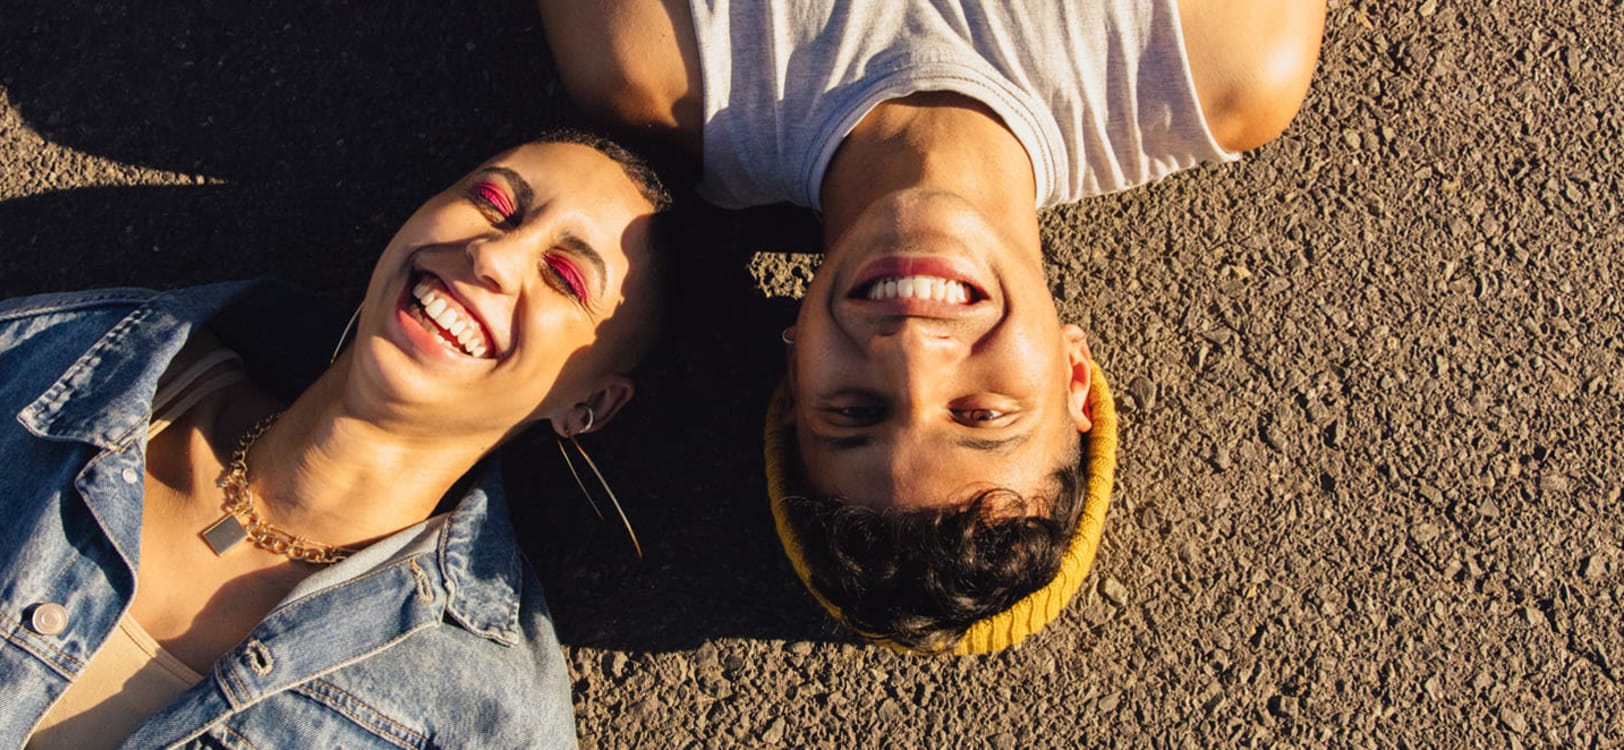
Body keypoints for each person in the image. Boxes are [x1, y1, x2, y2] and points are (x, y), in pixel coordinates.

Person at [0, 131, 670, 747]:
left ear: (585, 406)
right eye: (492, 203)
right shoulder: (68, 366)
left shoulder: (477, 713)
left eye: (565, 276)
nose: (495, 257)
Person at [539, 0, 1323, 652]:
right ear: (1073, 374)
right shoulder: (1217, 64)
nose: (913, 351)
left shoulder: (653, 57)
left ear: (796, 371)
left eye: (853, 411)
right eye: (981, 414)